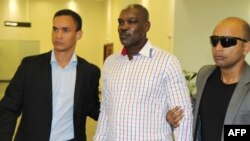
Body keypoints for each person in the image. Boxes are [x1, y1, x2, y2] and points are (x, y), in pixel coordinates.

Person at [94, 4, 193, 141]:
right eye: (121, 22)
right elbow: (105, 111)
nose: (123, 27)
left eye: (132, 22)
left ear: (146, 26)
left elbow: (183, 115)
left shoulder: (166, 62)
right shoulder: (110, 63)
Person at [0, 9, 100, 141]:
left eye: (65, 30)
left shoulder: (89, 72)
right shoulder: (29, 67)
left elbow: (92, 107)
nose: (58, 35)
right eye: (55, 29)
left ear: (78, 35)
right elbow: (8, 109)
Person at [167, 17, 250, 141]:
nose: (218, 48)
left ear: (246, 47)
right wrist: (173, 117)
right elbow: (194, 110)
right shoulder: (205, 75)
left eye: (227, 41)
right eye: (214, 41)